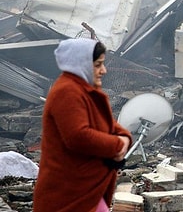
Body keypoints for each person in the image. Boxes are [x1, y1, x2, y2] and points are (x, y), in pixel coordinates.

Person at [33, 38, 132, 212]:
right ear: (82, 64)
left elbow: (107, 125)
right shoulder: (67, 92)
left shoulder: (82, 90)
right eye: (98, 64)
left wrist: (124, 137)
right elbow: (78, 136)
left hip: (85, 190)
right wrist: (118, 145)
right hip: (70, 193)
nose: (104, 70)